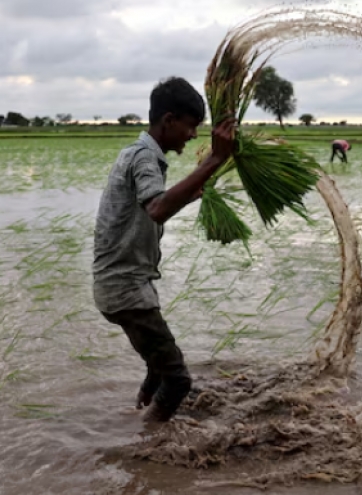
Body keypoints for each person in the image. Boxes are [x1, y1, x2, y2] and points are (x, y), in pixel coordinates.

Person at [92, 77, 236, 423]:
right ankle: (145, 446)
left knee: (158, 369)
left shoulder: (138, 153)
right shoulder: (144, 157)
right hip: (126, 290)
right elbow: (157, 208)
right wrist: (215, 159)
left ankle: (138, 409)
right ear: (169, 120)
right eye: (190, 126)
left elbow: (151, 210)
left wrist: (189, 194)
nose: (193, 135)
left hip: (125, 287)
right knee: (178, 380)